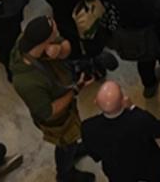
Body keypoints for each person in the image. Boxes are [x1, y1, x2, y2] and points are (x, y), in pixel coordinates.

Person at [10, 15, 96, 182]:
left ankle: (73, 148)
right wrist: (75, 90)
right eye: (54, 33)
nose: (57, 33)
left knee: (72, 141)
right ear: (44, 42)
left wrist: (60, 49)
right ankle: (65, 173)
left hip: (63, 97)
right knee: (65, 144)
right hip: (58, 120)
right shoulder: (26, 82)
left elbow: (66, 45)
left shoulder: (31, 41)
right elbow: (48, 111)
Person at [81, 80, 160, 182]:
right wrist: (133, 107)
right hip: (148, 166)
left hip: (118, 173)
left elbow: (95, 155)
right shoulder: (140, 119)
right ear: (123, 101)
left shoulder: (88, 127)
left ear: (96, 102)